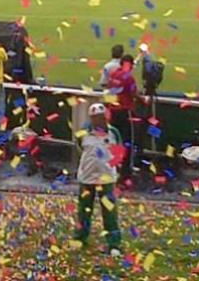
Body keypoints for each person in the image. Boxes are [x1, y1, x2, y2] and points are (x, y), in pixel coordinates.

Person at [74, 103, 122, 255]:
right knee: (84, 211)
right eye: (95, 118)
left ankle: (114, 244)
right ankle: (80, 239)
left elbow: (119, 152)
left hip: (107, 180)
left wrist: (110, 167)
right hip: (87, 179)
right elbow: (79, 149)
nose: (98, 121)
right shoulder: (83, 133)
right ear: (91, 118)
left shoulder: (113, 133)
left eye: (101, 117)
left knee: (110, 212)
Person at [106, 54, 139, 180]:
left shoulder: (113, 74)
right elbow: (134, 93)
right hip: (125, 113)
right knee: (127, 141)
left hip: (113, 112)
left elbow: (109, 92)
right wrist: (143, 99)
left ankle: (114, 167)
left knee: (114, 141)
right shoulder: (128, 78)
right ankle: (125, 171)